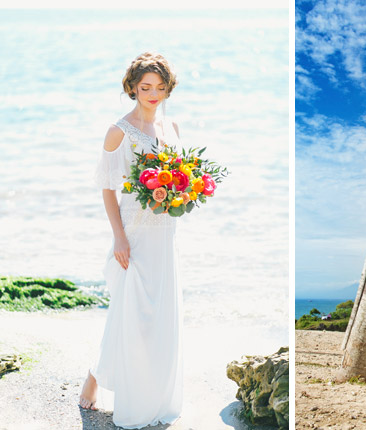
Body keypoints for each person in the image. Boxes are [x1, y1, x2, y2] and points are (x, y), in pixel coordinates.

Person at [79, 52, 183, 428]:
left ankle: (154, 395)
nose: (152, 94)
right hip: (134, 234)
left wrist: (185, 194)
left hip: (165, 231)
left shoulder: (173, 128)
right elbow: (107, 188)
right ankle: (95, 380)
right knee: (130, 312)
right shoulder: (118, 130)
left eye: (159, 87)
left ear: (168, 88)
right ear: (132, 88)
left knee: (158, 315)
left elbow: (178, 176)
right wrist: (119, 238)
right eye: (145, 88)